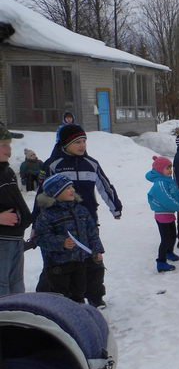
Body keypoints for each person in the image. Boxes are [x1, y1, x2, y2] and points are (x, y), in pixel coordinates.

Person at [34, 123, 122, 308]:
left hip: (87, 220)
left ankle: (95, 296)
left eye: (84, 141)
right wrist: (36, 223)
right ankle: (47, 298)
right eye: (77, 142)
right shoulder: (53, 164)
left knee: (93, 261)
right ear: (65, 144)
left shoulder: (91, 164)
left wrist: (115, 207)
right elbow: (41, 195)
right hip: (58, 224)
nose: (82, 145)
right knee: (58, 264)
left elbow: (105, 186)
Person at [34, 174, 103, 304]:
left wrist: (97, 250)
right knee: (61, 297)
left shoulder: (81, 210)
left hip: (80, 261)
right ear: (55, 192)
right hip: (59, 267)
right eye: (67, 188)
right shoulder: (47, 215)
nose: (72, 190)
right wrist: (62, 242)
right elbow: (40, 238)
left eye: (71, 187)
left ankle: (78, 316)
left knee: (79, 293)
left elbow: (92, 233)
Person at [0, 124, 33, 297]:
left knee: (16, 284)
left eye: (9, 144)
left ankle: (15, 319)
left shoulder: (7, 171)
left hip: (15, 238)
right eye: (4, 145)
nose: (9, 149)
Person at [147, 156, 179, 273]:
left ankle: (169, 252)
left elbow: (177, 195)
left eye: (171, 167)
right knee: (165, 239)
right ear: (160, 170)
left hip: (169, 214)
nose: (170, 170)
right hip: (162, 214)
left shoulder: (169, 181)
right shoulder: (160, 184)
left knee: (172, 235)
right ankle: (161, 262)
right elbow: (167, 199)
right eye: (167, 168)